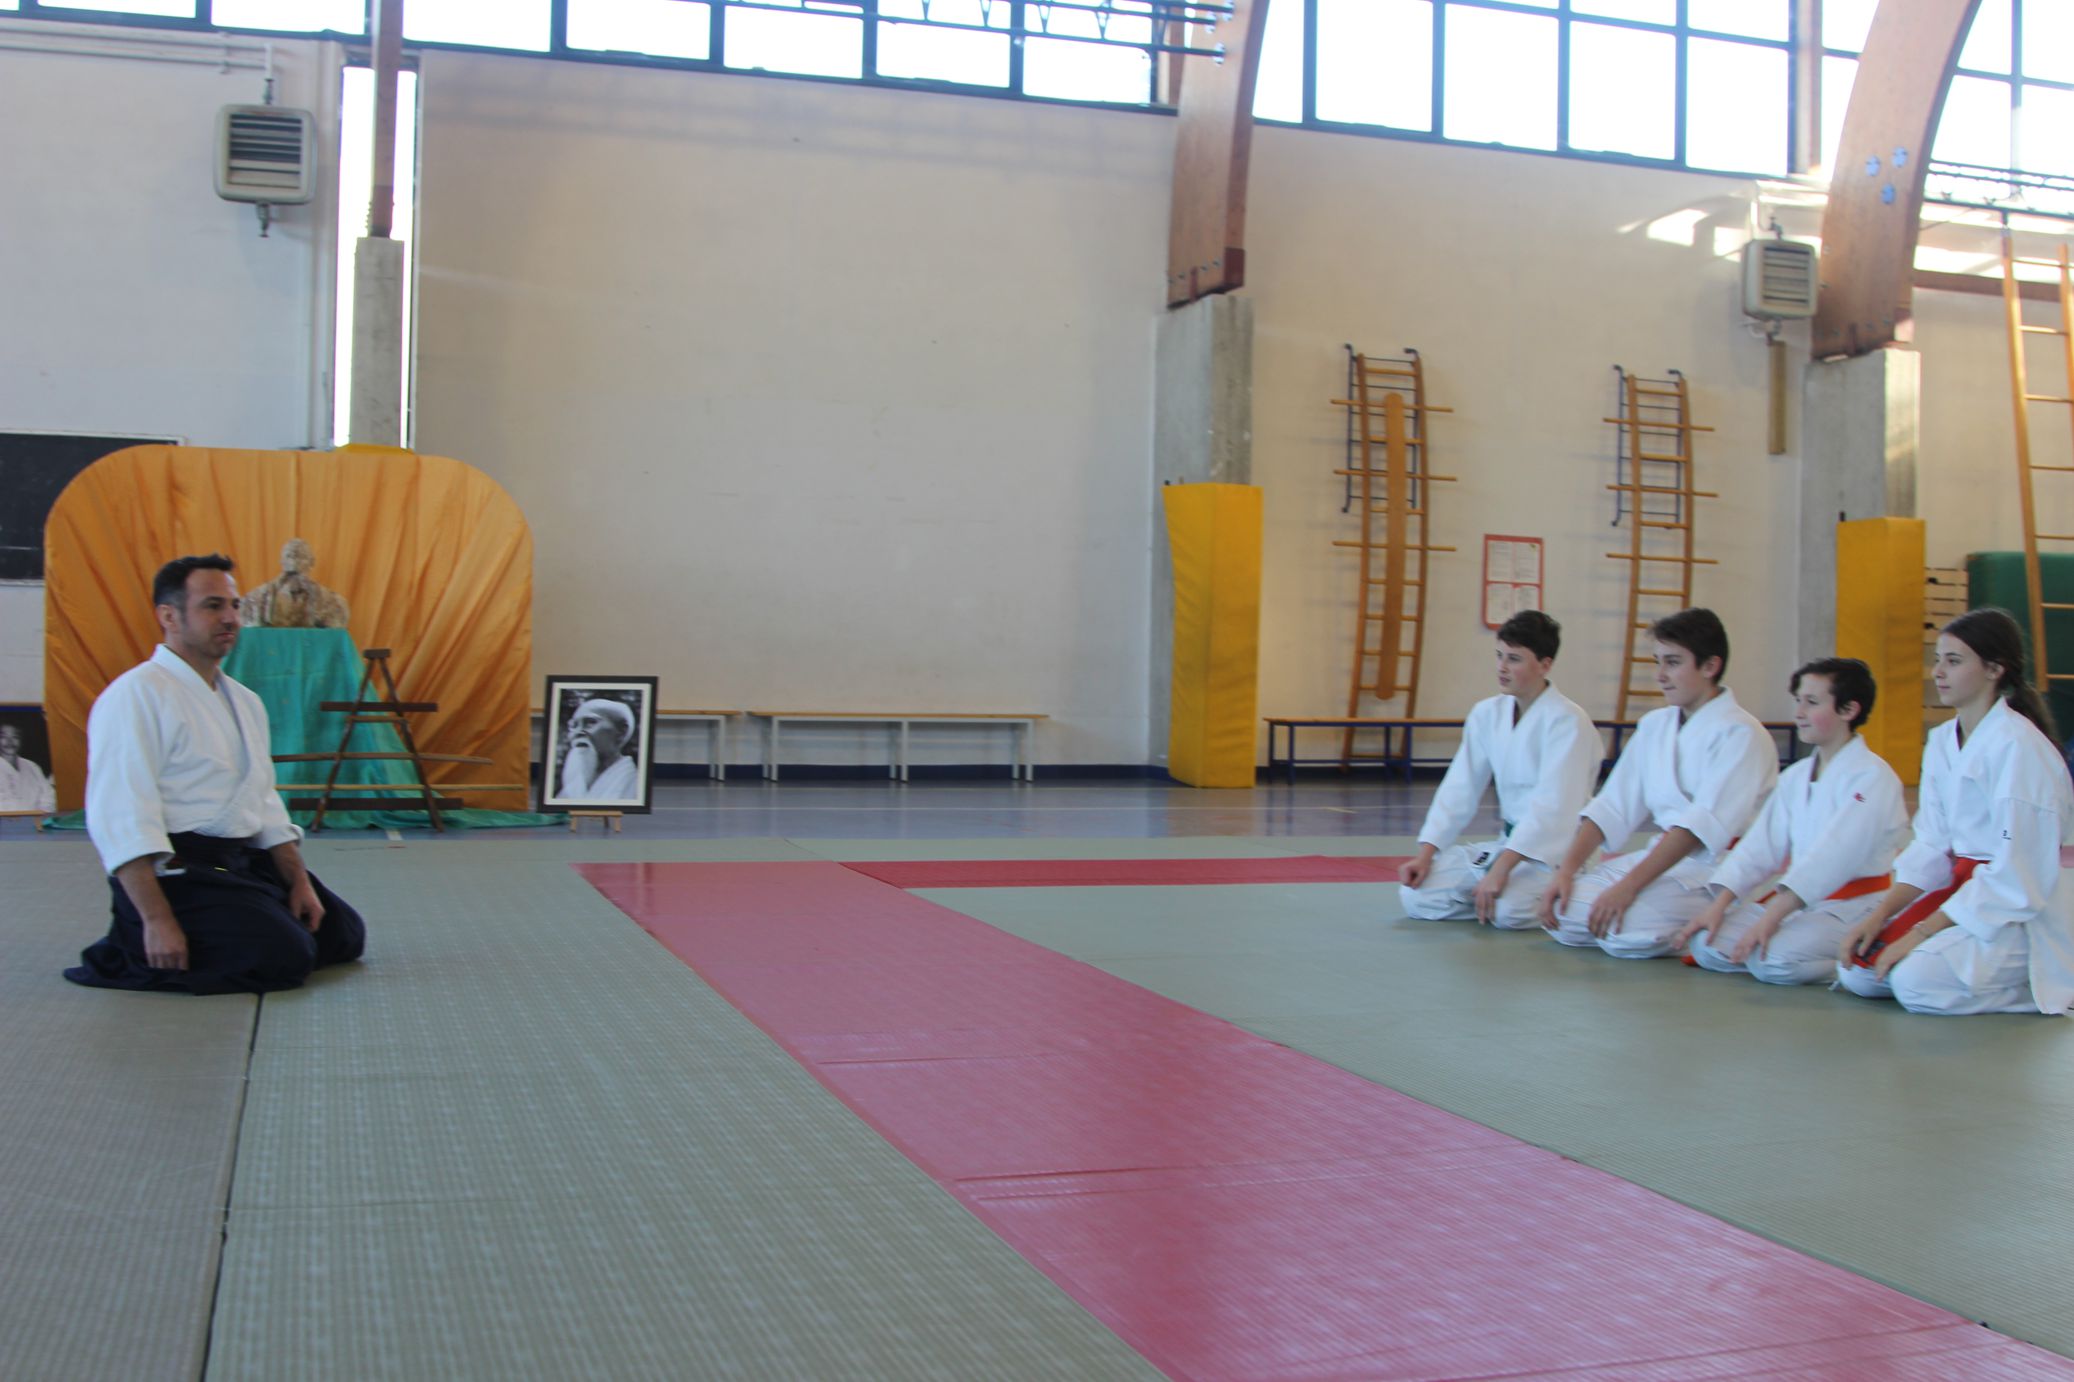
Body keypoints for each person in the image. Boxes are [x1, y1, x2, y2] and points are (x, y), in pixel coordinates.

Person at [63, 554, 366, 995]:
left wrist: (297, 881)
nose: (230, 618)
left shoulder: (244, 700)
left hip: (238, 863)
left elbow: (264, 803)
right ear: (168, 616)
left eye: (234, 605)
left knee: (344, 934)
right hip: (175, 874)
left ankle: (252, 920)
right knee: (286, 957)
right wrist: (156, 919)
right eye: (212, 606)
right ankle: (133, 945)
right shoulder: (134, 696)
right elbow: (122, 817)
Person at [1836, 608, 2074, 1015]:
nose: (1939, 672)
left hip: (2023, 908)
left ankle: (2039, 987)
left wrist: (1919, 933)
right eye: (1938, 659)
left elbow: (2017, 875)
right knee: (1860, 972)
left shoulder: (2020, 747)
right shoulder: (1944, 740)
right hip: (1967, 891)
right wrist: (1881, 915)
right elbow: (1931, 843)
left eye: (1954, 660)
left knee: (1914, 984)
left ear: (1994, 669)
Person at [1541, 607, 1778, 957]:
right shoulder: (1655, 725)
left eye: (1673, 662)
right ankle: (1664, 915)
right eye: (1658, 662)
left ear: (1710, 666)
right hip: (1664, 858)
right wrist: (1567, 869)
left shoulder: (1741, 735)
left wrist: (1629, 887)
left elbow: (1700, 827)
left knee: (1623, 931)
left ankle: (1721, 917)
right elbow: (1612, 804)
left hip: (1721, 868)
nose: (1660, 675)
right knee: (1565, 908)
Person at [1671, 658, 1907, 984]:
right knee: (1707, 944)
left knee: (1773, 961)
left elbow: (1833, 857)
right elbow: (1760, 846)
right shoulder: (1796, 777)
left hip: (1854, 904)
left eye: (1812, 703)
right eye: (1798, 701)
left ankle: (1847, 962)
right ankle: (1792, 946)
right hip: (1800, 900)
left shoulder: (1873, 777)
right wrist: (1720, 904)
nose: (1798, 713)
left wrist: (1773, 916)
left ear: (1849, 709)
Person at [1397, 611, 1602, 928]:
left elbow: (1553, 807)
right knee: (1416, 895)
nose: (1502, 668)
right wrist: (1427, 853)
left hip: (1556, 853)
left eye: (1515, 659)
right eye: (1499, 656)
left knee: (1510, 912)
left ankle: (1553, 892)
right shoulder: (1486, 714)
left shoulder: (1568, 722)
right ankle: (1492, 895)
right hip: (1508, 846)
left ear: (1545, 665)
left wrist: (1502, 868)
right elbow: (1460, 787)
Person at [556, 698, 639, 800]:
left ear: (622, 731)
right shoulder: (573, 786)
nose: (578, 732)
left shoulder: (634, 782)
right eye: (574, 725)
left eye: (590, 722)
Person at [0, 721, 56, 813]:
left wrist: (38, 817)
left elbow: (48, 797)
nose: (9, 742)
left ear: (21, 740)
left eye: (15, 737)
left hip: (34, 823)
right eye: (3, 737)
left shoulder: (32, 767)